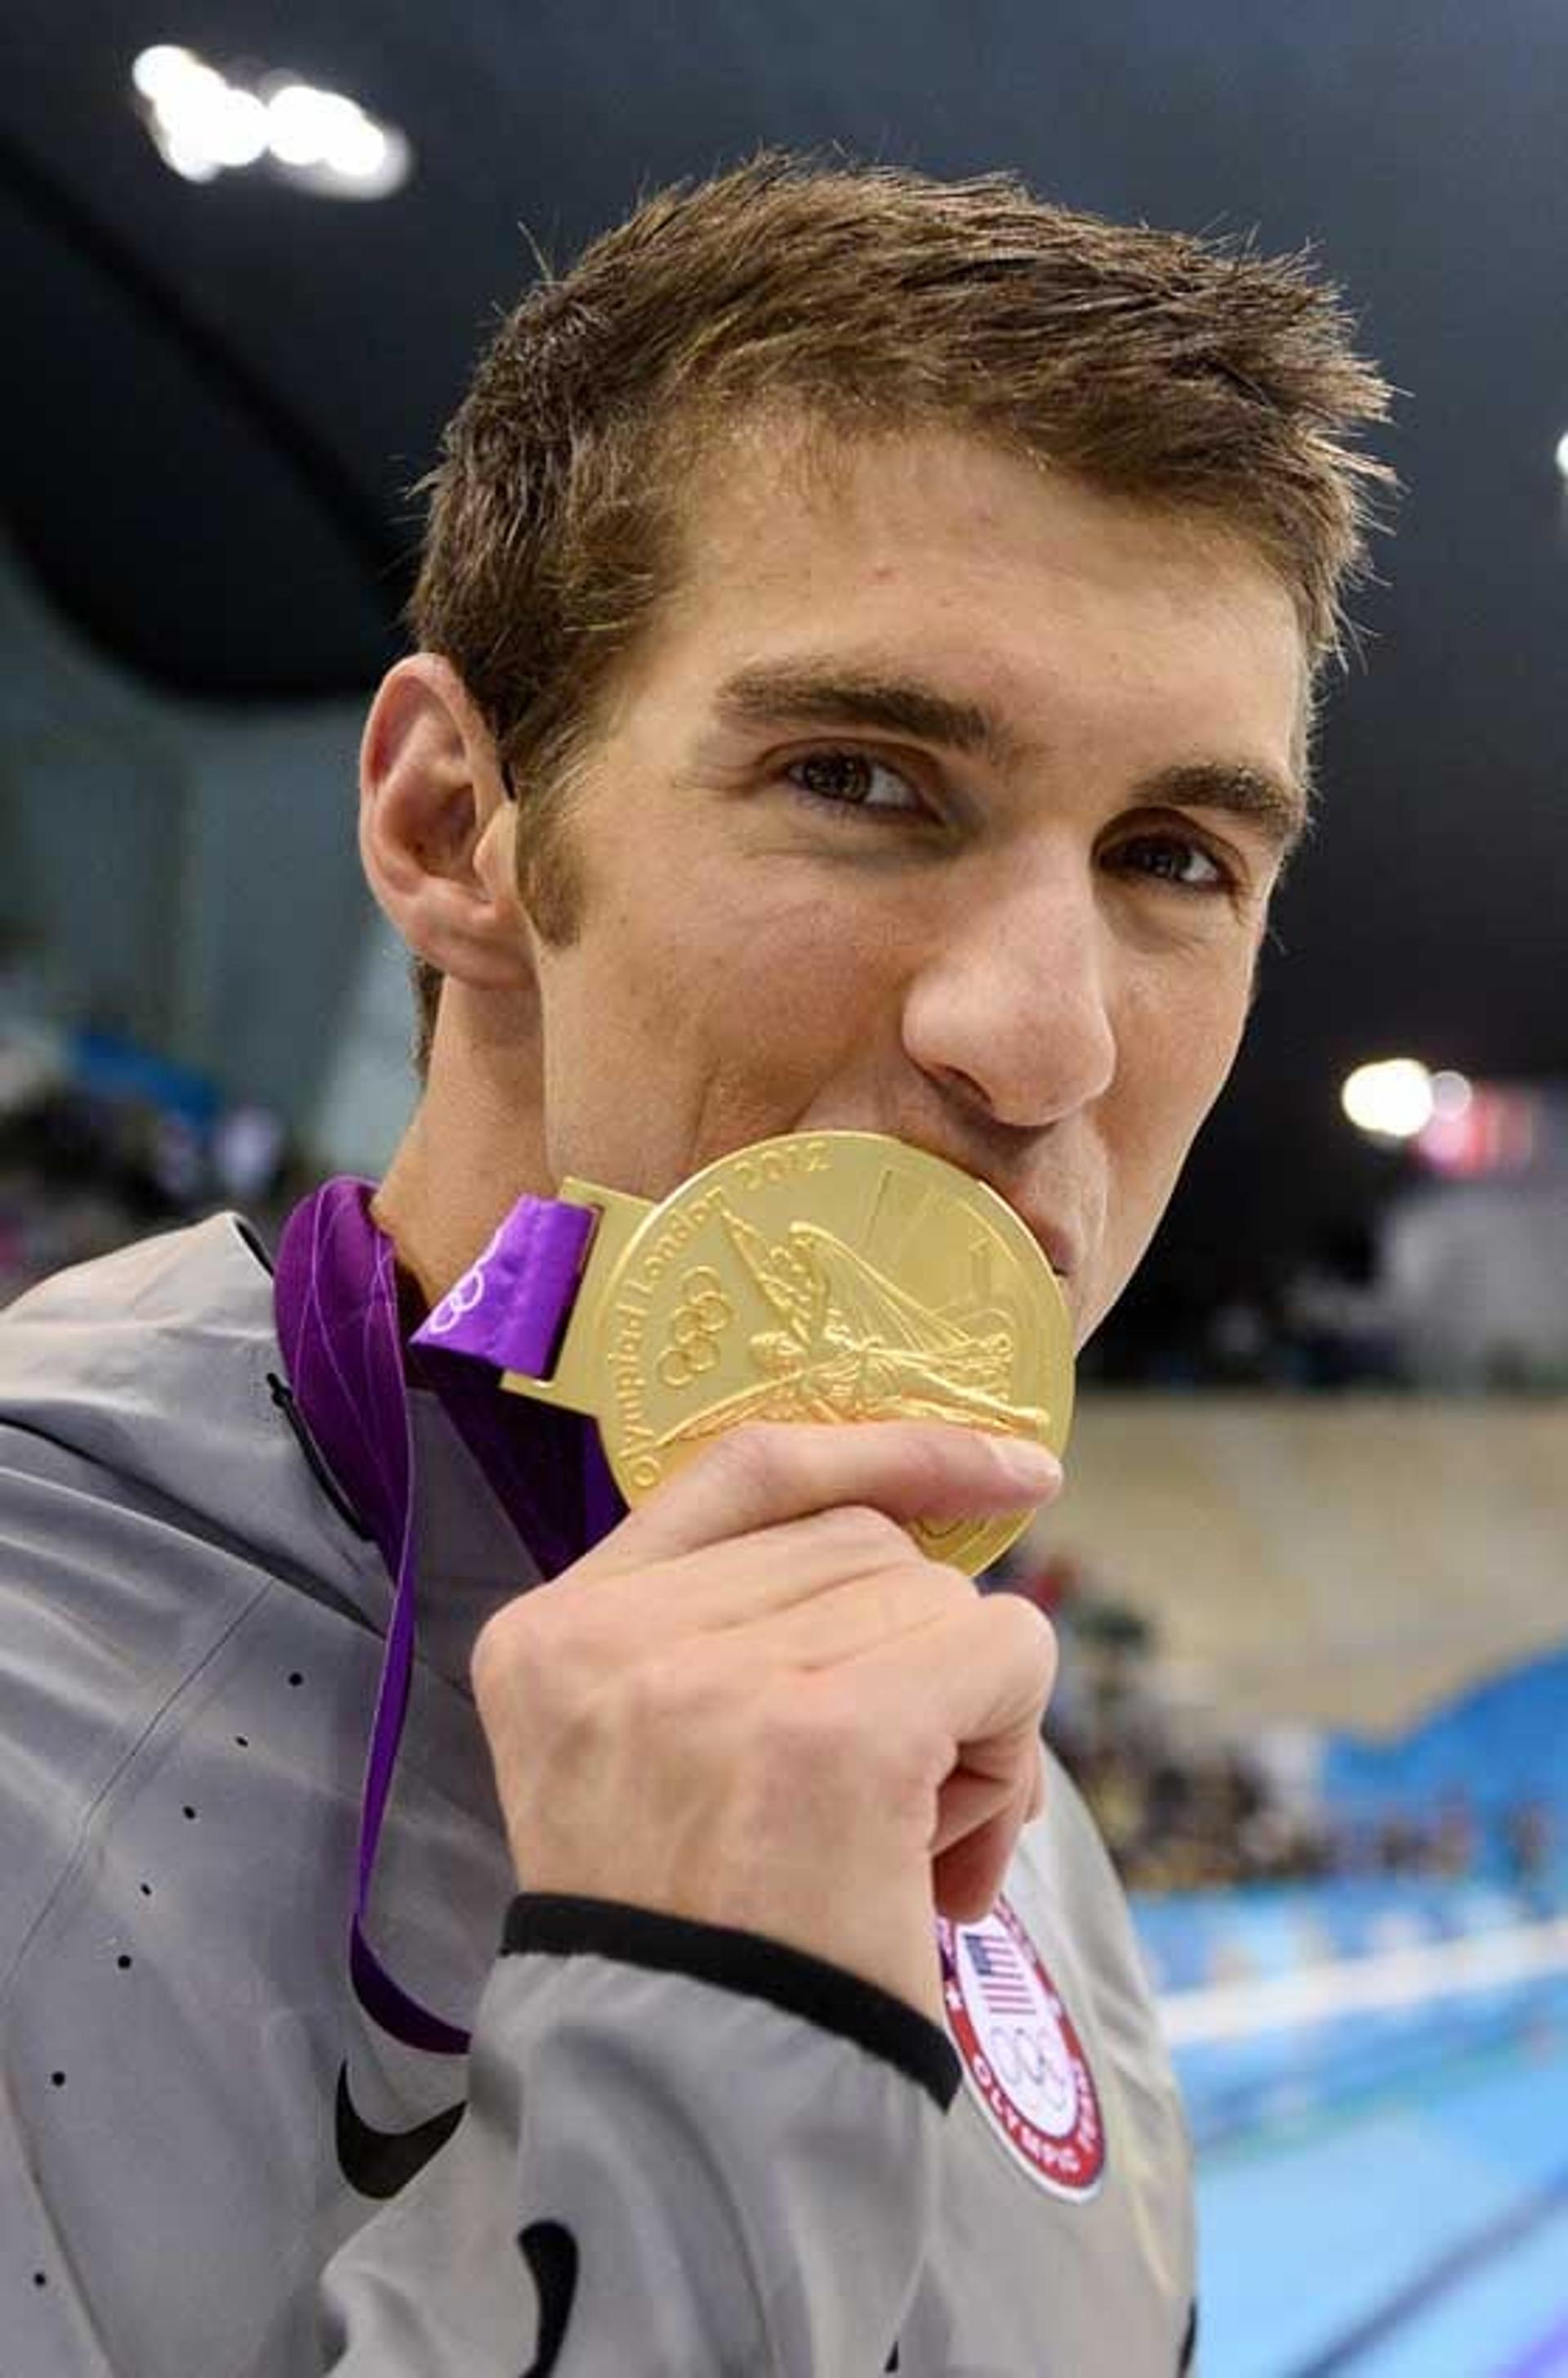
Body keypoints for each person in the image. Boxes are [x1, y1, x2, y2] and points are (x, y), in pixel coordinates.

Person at [0, 155, 1390, 2375]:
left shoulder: (1015, 1828)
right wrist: (704, 2043)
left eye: (1172, 855)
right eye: (862, 777)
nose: (1041, 1040)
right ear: (458, 830)